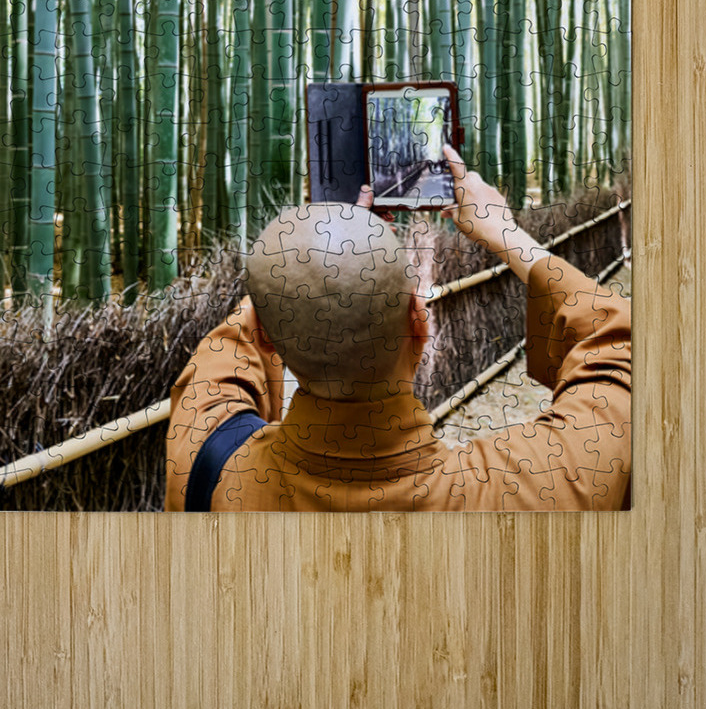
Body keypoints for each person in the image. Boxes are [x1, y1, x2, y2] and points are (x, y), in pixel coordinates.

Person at [164, 146, 631, 511]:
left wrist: (319, 257)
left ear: (268, 335)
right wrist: (505, 234)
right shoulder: (540, 486)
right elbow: (621, 343)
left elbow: (230, 344)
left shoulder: (204, 458)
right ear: (419, 322)